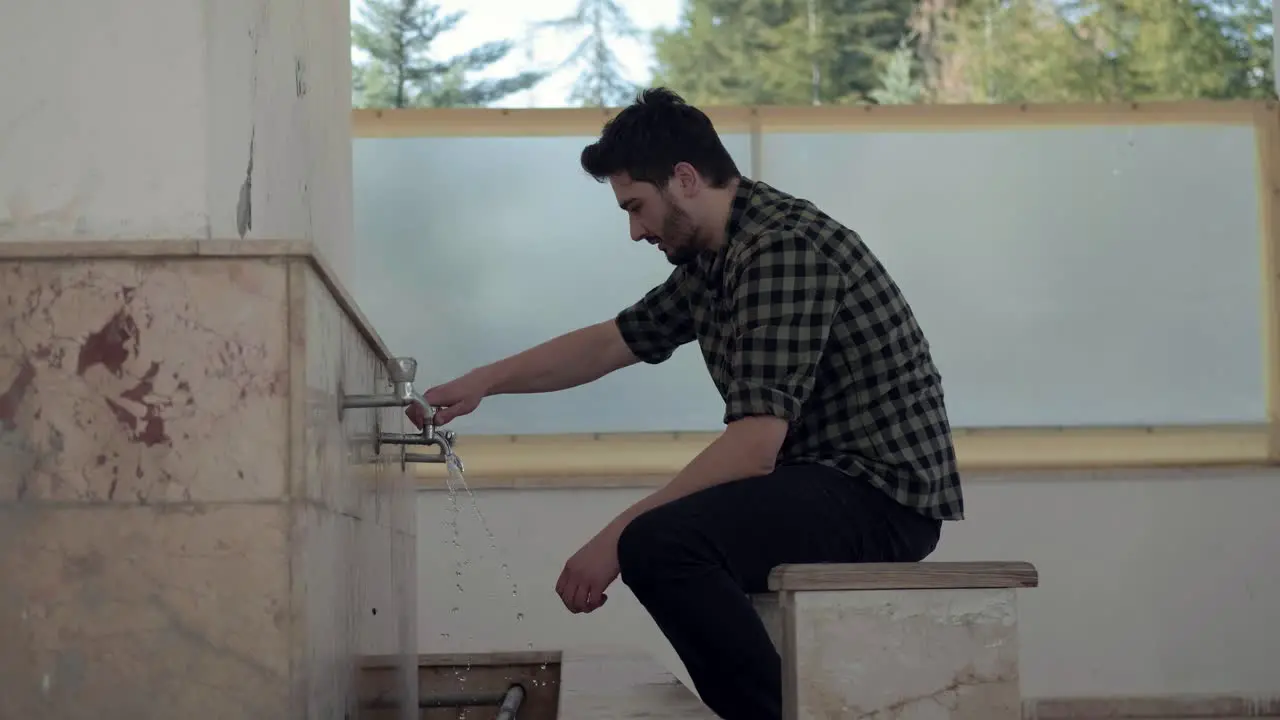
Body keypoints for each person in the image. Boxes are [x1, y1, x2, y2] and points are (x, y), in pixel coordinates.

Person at [410, 87, 964, 720]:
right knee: (670, 539)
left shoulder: (781, 249)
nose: (634, 230)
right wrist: (484, 381)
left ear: (685, 178)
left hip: (882, 497)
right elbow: (611, 342)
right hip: (827, 484)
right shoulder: (716, 258)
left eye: (637, 207)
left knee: (660, 544)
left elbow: (754, 448)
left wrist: (613, 540)